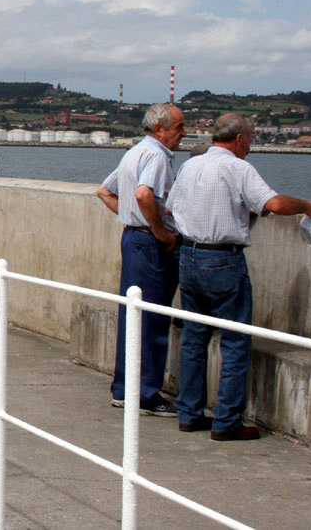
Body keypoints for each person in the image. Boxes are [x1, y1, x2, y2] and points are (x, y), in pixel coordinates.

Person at [166, 113, 311, 441]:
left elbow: (169, 208)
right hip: (223, 260)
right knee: (234, 341)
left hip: (189, 256)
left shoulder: (191, 165)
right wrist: (308, 205)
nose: (249, 146)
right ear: (239, 139)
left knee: (194, 338)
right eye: (249, 140)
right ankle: (226, 422)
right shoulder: (238, 167)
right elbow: (273, 203)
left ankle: (189, 413)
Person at [95, 103, 186, 418]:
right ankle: (146, 394)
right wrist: (159, 230)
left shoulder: (133, 153)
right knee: (152, 318)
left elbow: (105, 192)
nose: (183, 133)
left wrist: (132, 220)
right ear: (159, 129)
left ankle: (124, 389)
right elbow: (145, 195)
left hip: (133, 239)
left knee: (131, 314)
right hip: (149, 243)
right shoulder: (158, 156)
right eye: (179, 127)